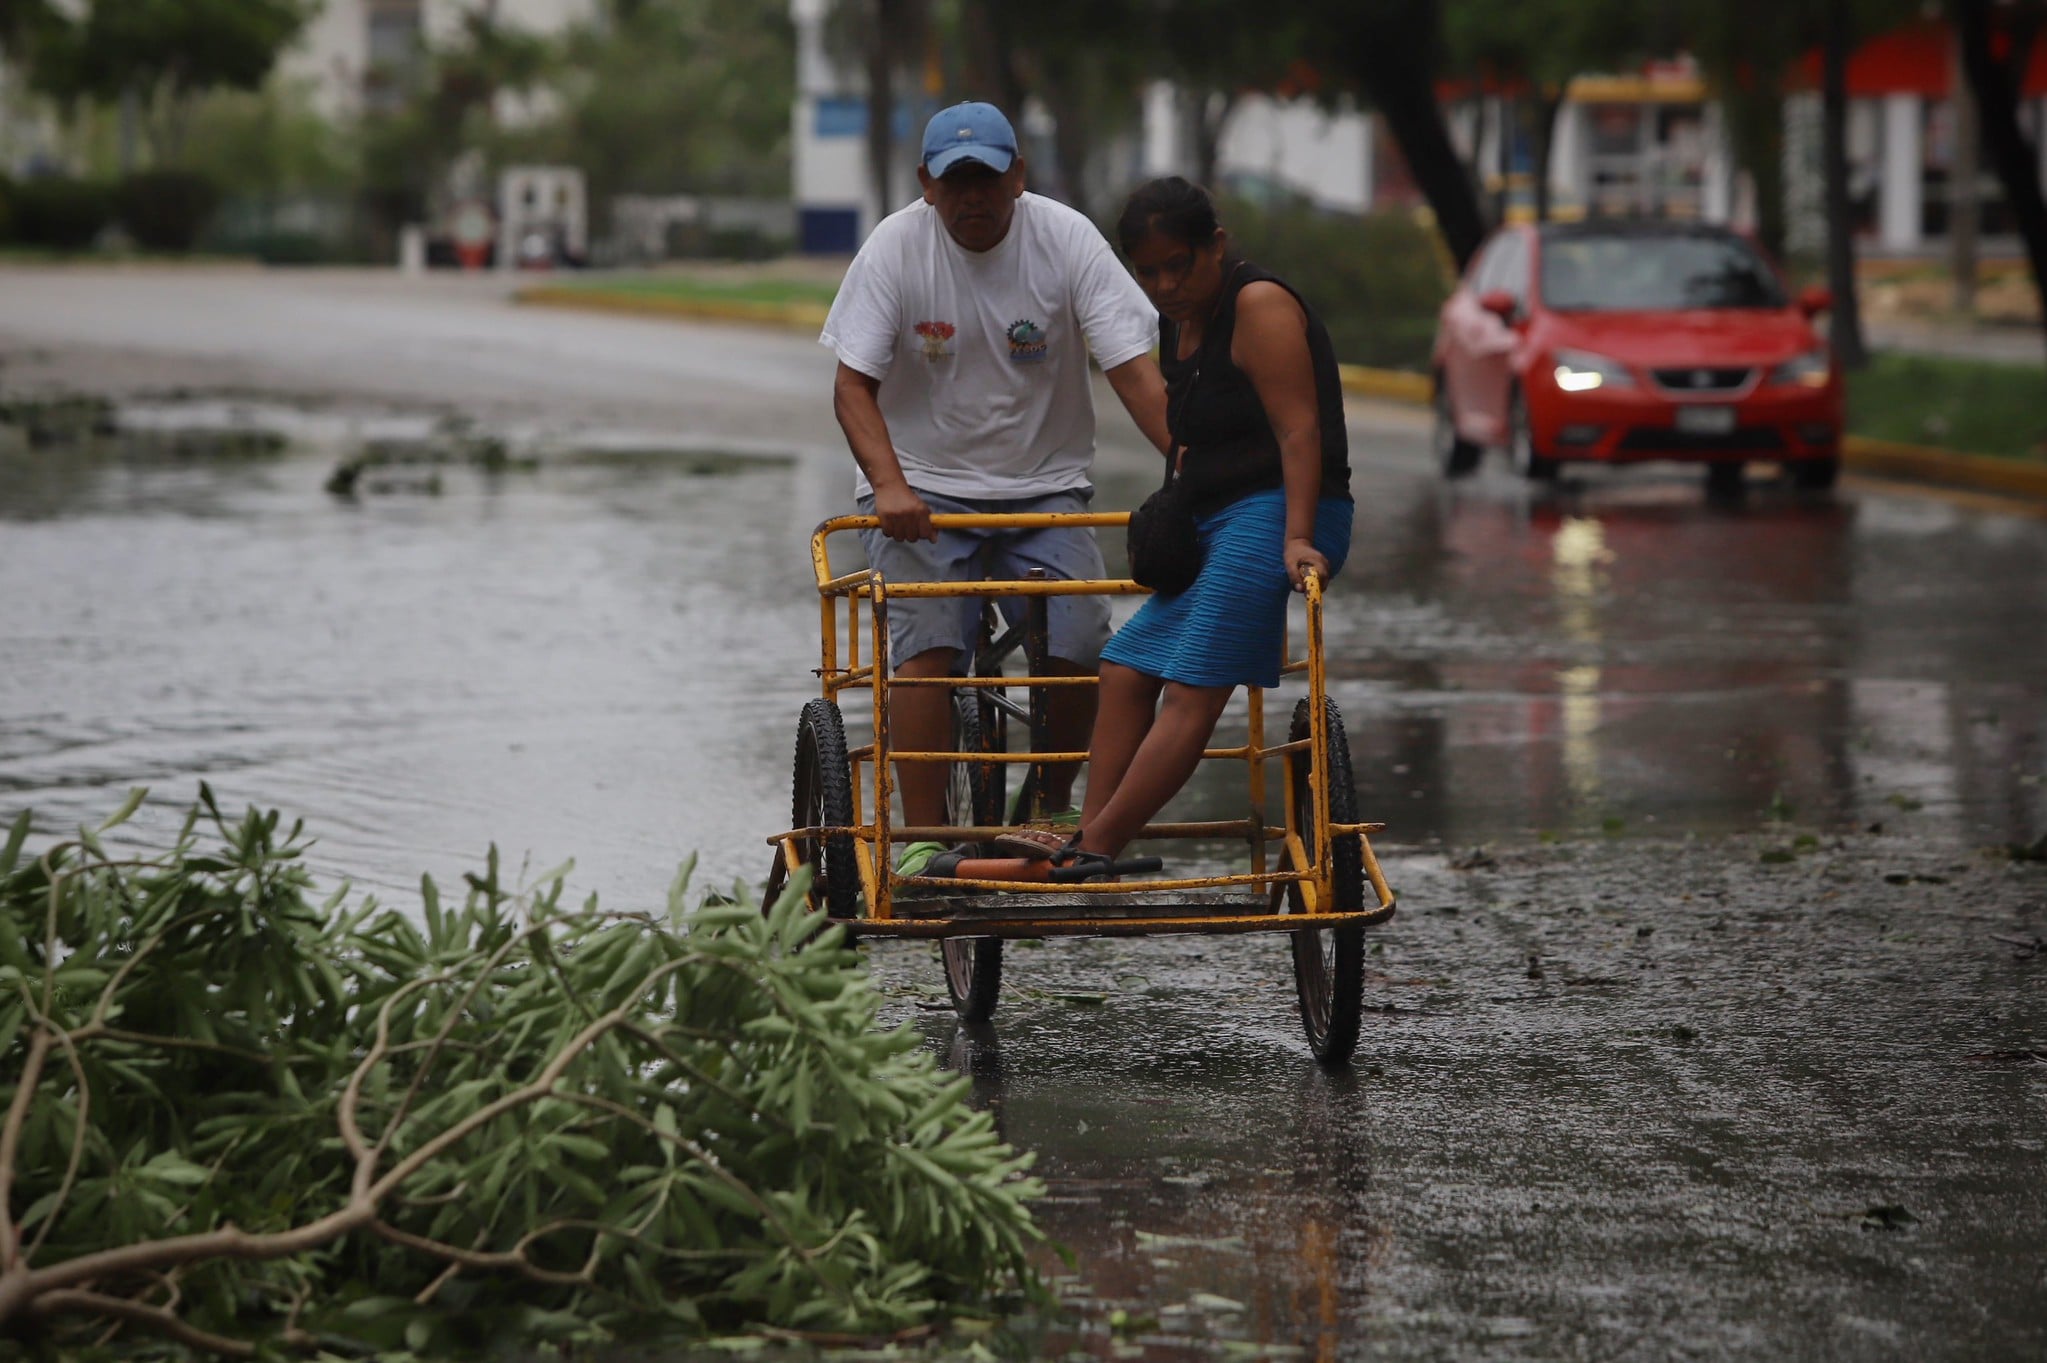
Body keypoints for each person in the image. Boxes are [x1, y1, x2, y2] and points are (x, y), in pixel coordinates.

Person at [819, 101, 1170, 876]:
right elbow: (851, 388)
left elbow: (1134, 374)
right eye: (955, 184)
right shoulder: (894, 249)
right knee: (927, 651)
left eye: (987, 181)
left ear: (1018, 176)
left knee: (1081, 642)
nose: (972, 199)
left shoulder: (1066, 239)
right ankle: (922, 840)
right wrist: (889, 485)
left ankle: (1049, 805)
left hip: (1043, 489)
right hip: (921, 495)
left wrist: (1194, 464)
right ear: (927, 185)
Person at [999, 176, 1354, 876]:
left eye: (1178, 265)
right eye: (1148, 271)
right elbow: (1190, 438)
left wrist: (1295, 538)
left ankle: (1097, 847)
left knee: (1192, 685)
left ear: (1214, 246)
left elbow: (1299, 430)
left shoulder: (1257, 305)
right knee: (1125, 665)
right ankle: (1087, 835)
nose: (1164, 284)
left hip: (1280, 511)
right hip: (1217, 524)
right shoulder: (1174, 322)